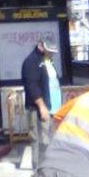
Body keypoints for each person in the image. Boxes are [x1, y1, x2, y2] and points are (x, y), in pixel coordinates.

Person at [22, 38, 62, 169]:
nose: (51, 54)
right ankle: (39, 173)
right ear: (40, 46)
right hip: (39, 110)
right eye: (49, 51)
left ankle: (49, 171)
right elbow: (32, 86)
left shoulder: (47, 62)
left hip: (52, 109)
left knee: (49, 141)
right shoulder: (31, 62)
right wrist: (41, 106)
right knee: (40, 141)